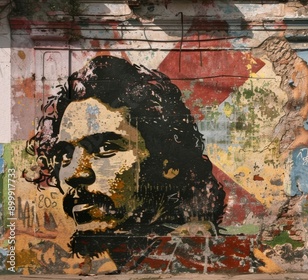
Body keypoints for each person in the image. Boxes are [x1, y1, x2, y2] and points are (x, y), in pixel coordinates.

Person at [25, 55, 226, 273]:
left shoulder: (215, 265)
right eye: (66, 154)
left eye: (104, 148)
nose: (73, 173)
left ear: (170, 163)